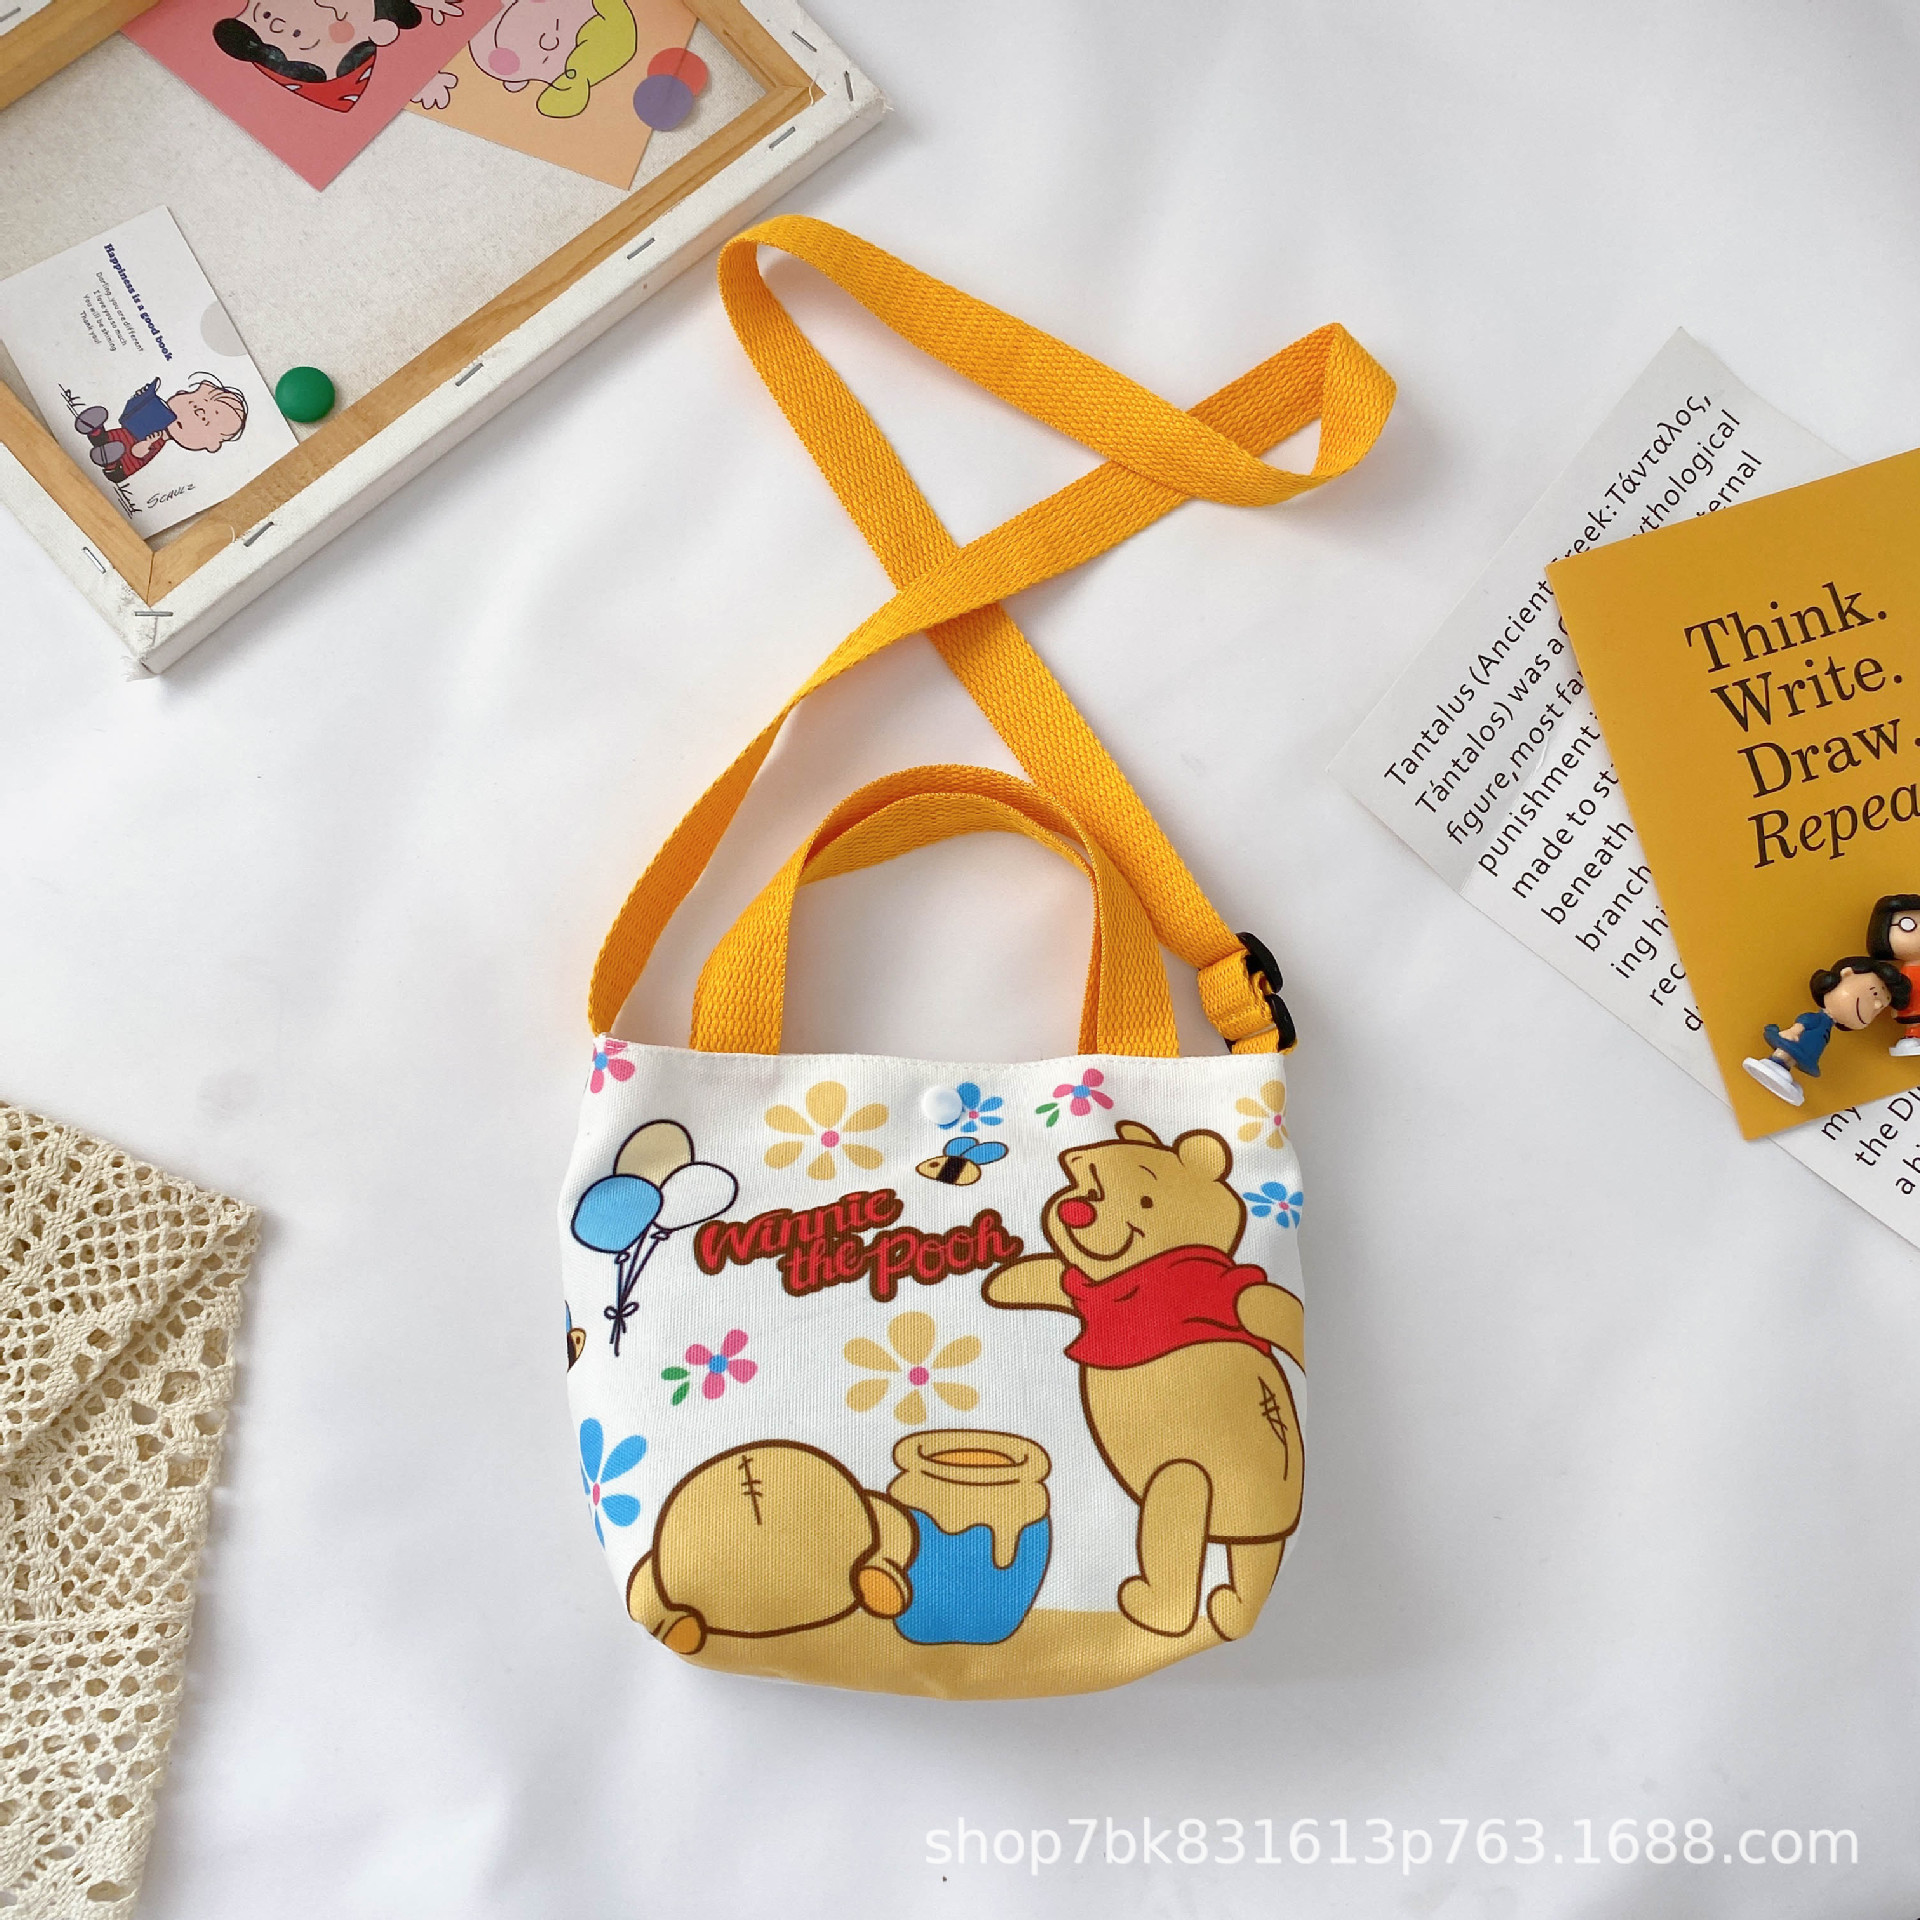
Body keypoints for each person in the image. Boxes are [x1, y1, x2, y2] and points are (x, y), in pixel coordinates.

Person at [1742, 957, 1907, 1107]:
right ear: (1847, 975)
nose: (1876, 1005)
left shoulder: (1828, 1027)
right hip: (1797, 1041)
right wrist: (1795, 1030)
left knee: (1795, 1058)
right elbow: (1805, 1020)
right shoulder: (1818, 1019)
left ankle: (1783, 1069)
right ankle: (1775, 1063)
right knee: (1787, 1051)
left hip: (1809, 1050)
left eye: (1881, 1008)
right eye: (1874, 994)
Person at [72, 377, 249, 485]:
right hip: (126, 434)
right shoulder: (156, 417)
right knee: (114, 437)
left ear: (212, 444)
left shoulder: (158, 440)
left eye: (207, 423)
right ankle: (96, 432)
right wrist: (140, 398)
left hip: (124, 462)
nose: (198, 412)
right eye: (195, 402)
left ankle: (109, 461)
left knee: (121, 457)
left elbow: (138, 454)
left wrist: (145, 446)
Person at [1866, 894, 1920, 1057]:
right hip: (1912, 1007)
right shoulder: (1903, 973)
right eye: (1908, 925)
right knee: (1913, 1020)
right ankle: (1912, 1035)